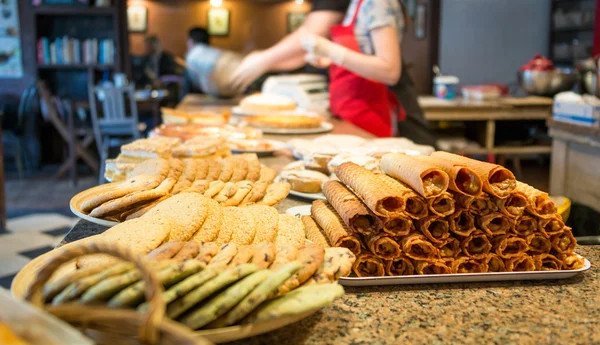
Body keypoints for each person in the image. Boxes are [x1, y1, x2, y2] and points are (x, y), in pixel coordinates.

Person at [231, 1, 436, 144]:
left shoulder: (378, 3)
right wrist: (325, 59)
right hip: (351, 113)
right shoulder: (357, 5)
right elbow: (363, 54)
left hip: (372, 116)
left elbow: (390, 71)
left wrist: (333, 51)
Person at [183, 27, 243, 98]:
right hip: (235, 66)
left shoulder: (192, 56)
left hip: (218, 84)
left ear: (191, 41)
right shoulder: (213, 51)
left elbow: (192, 85)